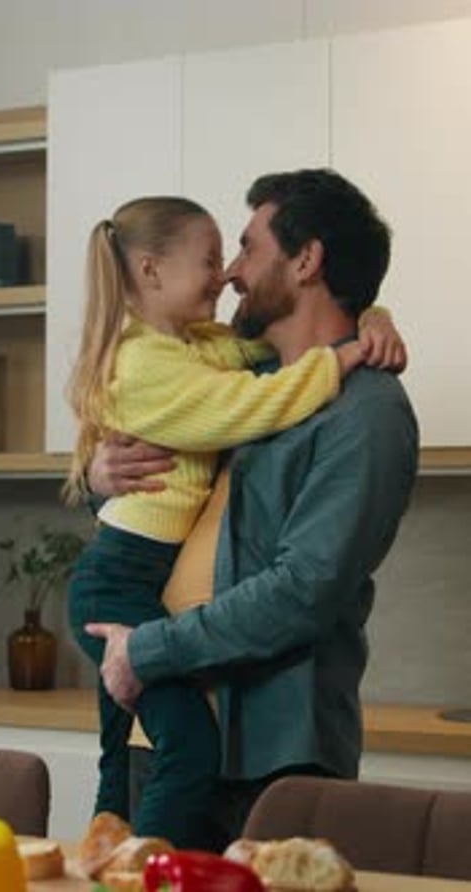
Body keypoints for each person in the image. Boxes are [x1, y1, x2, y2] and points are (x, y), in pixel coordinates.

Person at [85, 168, 418, 849]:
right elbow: (162, 488)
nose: (230, 273)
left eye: (245, 248)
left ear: (306, 260)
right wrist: (99, 477)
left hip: (268, 757)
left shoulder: (367, 411)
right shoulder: (243, 381)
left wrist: (147, 649)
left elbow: (303, 591)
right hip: (166, 730)